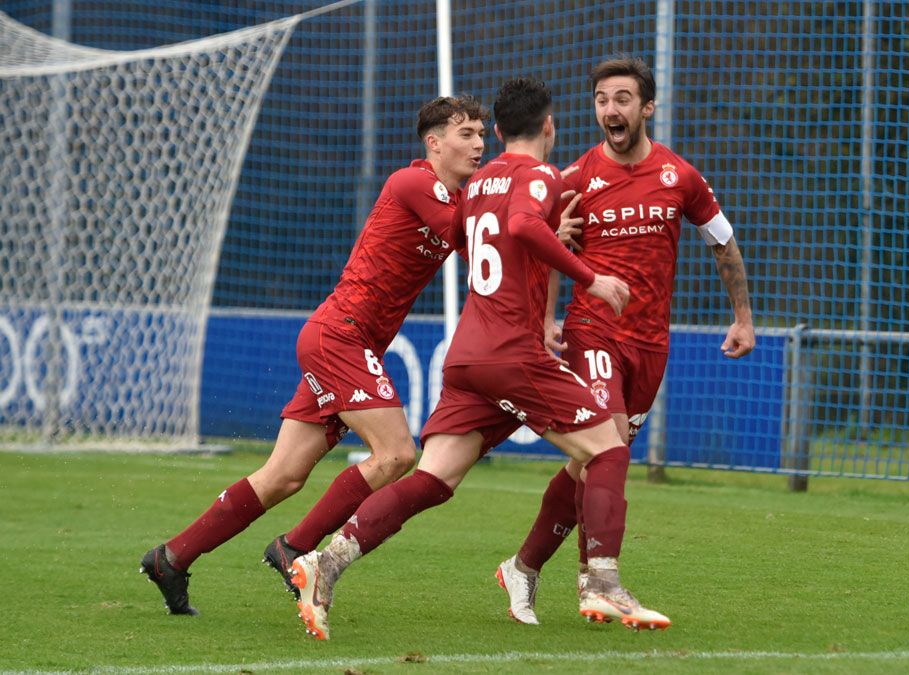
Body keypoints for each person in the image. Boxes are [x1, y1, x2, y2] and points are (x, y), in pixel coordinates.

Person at [287, 77, 670, 641]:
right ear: (548, 126)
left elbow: (507, 239)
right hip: (511, 356)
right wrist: (591, 276)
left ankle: (324, 564)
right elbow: (519, 226)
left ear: (494, 131)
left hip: (468, 356)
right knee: (607, 451)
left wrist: (547, 239)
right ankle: (603, 585)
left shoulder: (478, 184)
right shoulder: (537, 175)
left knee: (434, 479)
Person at [138, 96, 488, 616]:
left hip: (345, 342)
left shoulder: (460, 198)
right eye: (466, 134)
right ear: (433, 143)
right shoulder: (413, 183)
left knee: (283, 476)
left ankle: (172, 557)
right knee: (396, 454)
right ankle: (295, 548)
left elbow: (478, 228)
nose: (479, 144)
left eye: (483, 133)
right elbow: (471, 238)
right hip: (339, 337)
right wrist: (530, 222)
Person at [493, 55, 755, 625]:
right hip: (593, 332)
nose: (610, 110)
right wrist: (542, 319)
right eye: (601, 100)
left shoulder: (679, 176)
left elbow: (722, 242)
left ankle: (524, 566)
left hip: (650, 346)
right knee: (609, 449)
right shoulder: (575, 177)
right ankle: (601, 581)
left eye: (622, 99)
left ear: (647, 107)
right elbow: (528, 238)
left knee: (591, 464)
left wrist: (742, 317)